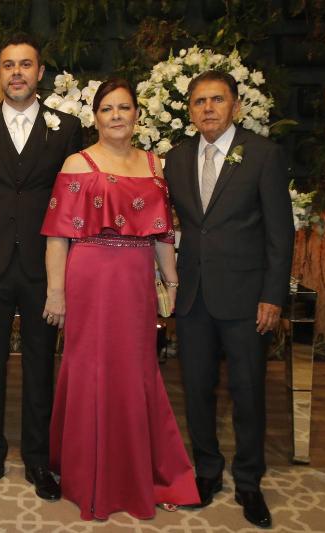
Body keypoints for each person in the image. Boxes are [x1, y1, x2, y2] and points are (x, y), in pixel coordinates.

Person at [41, 79, 200, 520]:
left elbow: (162, 231)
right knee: (90, 369)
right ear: (95, 117)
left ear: (136, 115)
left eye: (124, 107)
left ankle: (134, 471)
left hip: (135, 280)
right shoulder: (78, 162)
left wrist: (171, 281)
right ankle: (88, 475)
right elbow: (57, 235)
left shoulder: (153, 164)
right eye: (107, 108)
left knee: (136, 371)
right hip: (89, 275)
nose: (116, 115)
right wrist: (56, 292)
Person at [0, 33, 82, 500]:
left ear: (40, 72)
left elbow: (75, 201)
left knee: (41, 366)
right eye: (9, 65)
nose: (17, 73)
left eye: (26, 64)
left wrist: (71, 268)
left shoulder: (66, 127)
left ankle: (38, 460)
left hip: (45, 266)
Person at [163, 70, 295, 529]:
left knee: (248, 391)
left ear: (235, 105)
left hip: (246, 298)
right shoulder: (176, 159)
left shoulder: (263, 155)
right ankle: (206, 471)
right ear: (190, 110)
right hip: (193, 297)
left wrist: (272, 296)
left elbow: (280, 233)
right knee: (196, 389)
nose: (208, 109)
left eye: (217, 100)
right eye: (199, 101)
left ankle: (249, 480)